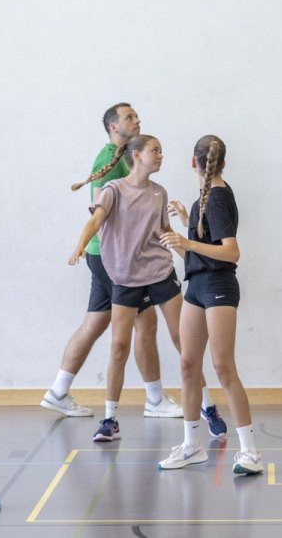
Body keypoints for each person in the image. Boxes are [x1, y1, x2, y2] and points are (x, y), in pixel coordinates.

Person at [42, 103, 212, 432]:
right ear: (114, 128)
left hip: (123, 257)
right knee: (141, 326)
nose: (137, 120)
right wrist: (86, 245)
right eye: (129, 117)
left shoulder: (150, 185)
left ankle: (59, 390)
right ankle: (153, 399)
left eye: (137, 116)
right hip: (114, 257)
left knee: (96, 323)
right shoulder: (110, 161)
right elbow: (100, 212)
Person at [68, 134, 187, 443]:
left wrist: (190, 255)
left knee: (183, 338)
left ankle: (206, 406)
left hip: (159, 273)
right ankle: (110, 419)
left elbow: (165, 231)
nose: (161, 155)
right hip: (124, 277)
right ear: (136, 155)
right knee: (118, 346)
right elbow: (94, 223)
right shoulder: (113, 190)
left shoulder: (159, 193)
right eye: (155, 151)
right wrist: (80, 246)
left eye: (162, 150)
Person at [157, 135, 262, 474]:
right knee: (188, 365)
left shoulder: (217, 198)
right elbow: (197, 253)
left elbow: (231, 252)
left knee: (222, 367)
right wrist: (180, 233)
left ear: (193, 162)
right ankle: (191, 445)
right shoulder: (203, 199)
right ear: (223, 163)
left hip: (218, 286)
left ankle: (250, 453)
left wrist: (187, 240)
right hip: (197, 286)